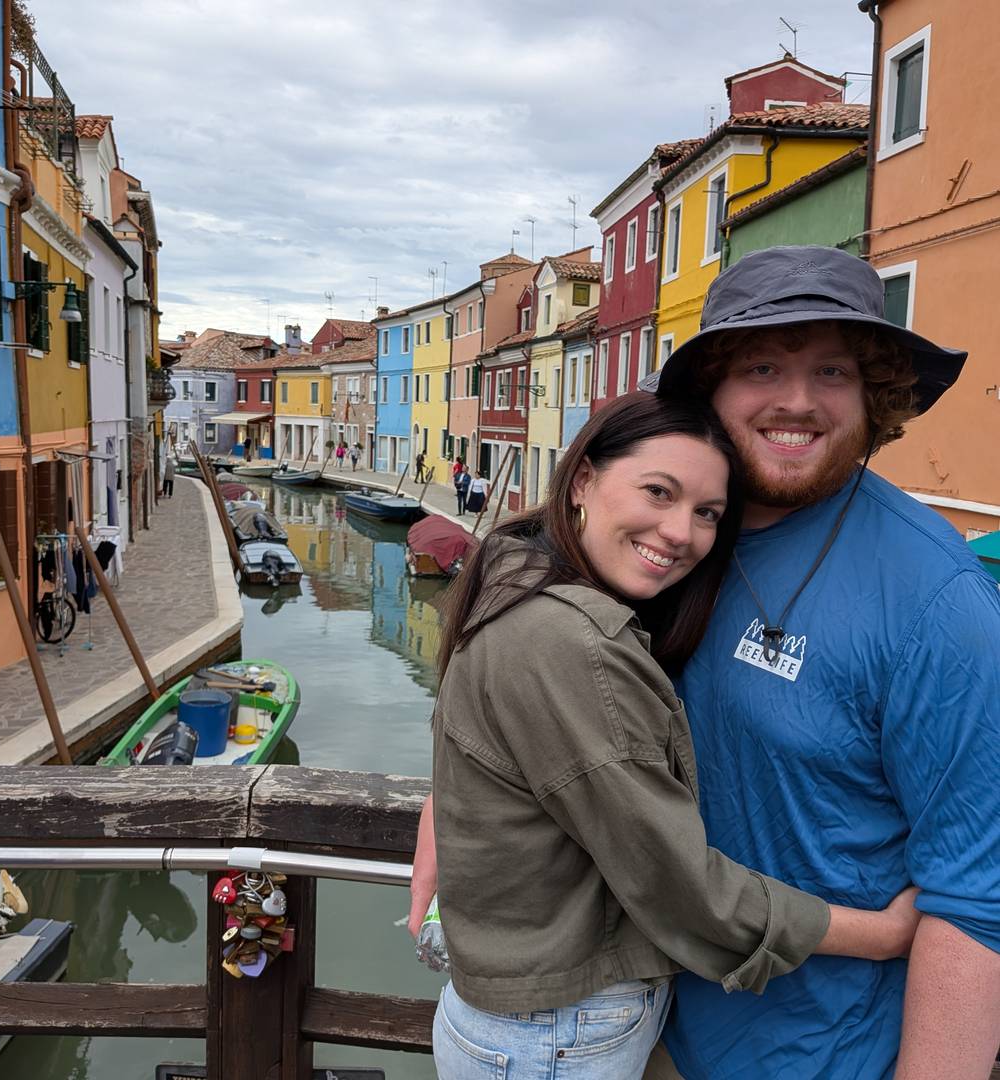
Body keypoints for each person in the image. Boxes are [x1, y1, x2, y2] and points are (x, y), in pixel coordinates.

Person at [411, 246, 1000, 1080]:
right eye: (763, 364)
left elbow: (976, 900)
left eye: (832, 370)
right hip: (639, 1029)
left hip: (812, 1056)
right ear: (713, 391)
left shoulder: (941, 603)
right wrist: (455, 801)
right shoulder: (670, 545)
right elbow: (526, 664)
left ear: (875, 394)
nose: (796, 400)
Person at [426, 392, 921, 1079]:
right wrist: (883, 935)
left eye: (707, 514)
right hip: (557, 1033)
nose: (680, 532)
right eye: (658, 492)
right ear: (584, 480)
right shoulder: (574, 644)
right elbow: (680, 885)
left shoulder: (512, 571)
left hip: (521, 1022)